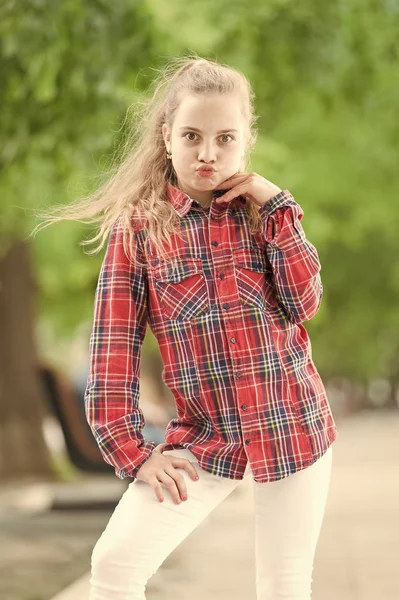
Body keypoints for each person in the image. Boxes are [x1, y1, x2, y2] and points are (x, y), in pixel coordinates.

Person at [32, 54, 338, 599]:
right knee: (116, 564)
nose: (207, 152)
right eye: (192, 135)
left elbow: (304, 300)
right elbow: (111, 353)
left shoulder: (265, 217)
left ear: (246, 140)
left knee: (284, 585)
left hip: (293, 424)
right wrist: (134, 452)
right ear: (166, 137)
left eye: (226, 138)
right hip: (204, 442)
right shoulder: (140, 233)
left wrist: (278, 208)